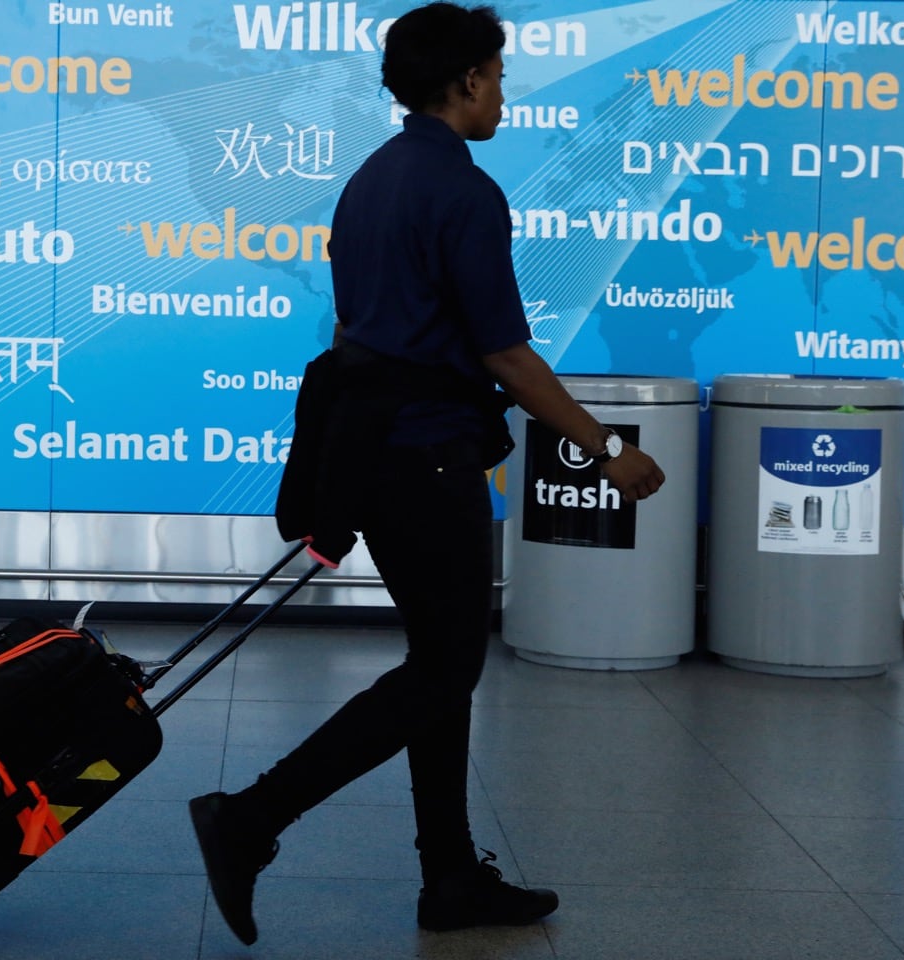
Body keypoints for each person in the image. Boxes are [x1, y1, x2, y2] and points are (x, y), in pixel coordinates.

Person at [189, 1, 665, 946]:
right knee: (445, 667)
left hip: (375, 452)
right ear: (466, 81)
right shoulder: (463, 191)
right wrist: (610, 451)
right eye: (496, 72)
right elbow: (507, 355)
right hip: (431, 456)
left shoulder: (370, 179)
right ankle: (250, 817)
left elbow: (360, 331)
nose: (503, 90)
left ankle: (450, 878)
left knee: (440, 666)